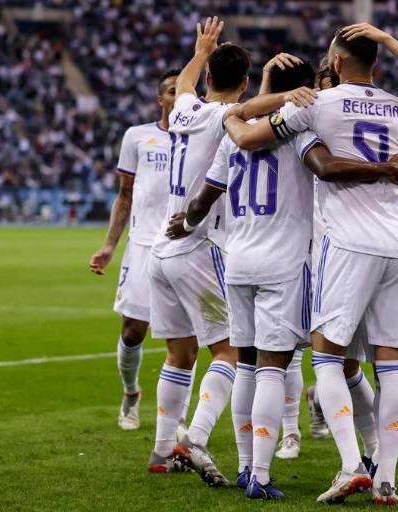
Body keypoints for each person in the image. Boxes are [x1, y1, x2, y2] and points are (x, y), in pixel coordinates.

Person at [170, 55, 398, 500]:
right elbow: (325, 167)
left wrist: (184, 225)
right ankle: (260, 475)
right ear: (306, 94)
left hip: (237, 261)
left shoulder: (233, 134)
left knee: (244, 364)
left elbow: (203, 200)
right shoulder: (299, 132)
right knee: (272, 370)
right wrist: (383, 168)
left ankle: (244, 465)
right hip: (284, 265)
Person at [222, 26, 398, 505]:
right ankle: (385, 478)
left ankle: (347, 466)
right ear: (376, 64)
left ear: (337, 64)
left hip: (345, 245)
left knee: (327, 357)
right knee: (392, 365)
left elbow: (249, 136)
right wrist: (386, 37)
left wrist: (239, 111)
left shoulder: (318, 105)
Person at [145, 17, 244, 486]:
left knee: (179, 353)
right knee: (230, 350)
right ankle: (195, 437)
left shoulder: (184, 108)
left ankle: (162, 451)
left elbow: (184, 82)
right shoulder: (230, 118)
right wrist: (284, 94)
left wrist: (201, 51)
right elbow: (250, 110)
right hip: (197, 244)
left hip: (160, 252)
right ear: (243, 84)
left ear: (208, 79)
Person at [88, 69, 197, 434]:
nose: (176, 97)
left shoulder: (197, 135)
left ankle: (178, 415)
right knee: (133, 331)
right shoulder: (138, 136)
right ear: (161, 99)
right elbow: (125, 194)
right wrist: (108, 245)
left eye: (181, 91)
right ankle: (131, 392)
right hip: (143, 245)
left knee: (186, 337)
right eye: (170, 91)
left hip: (185, 246)